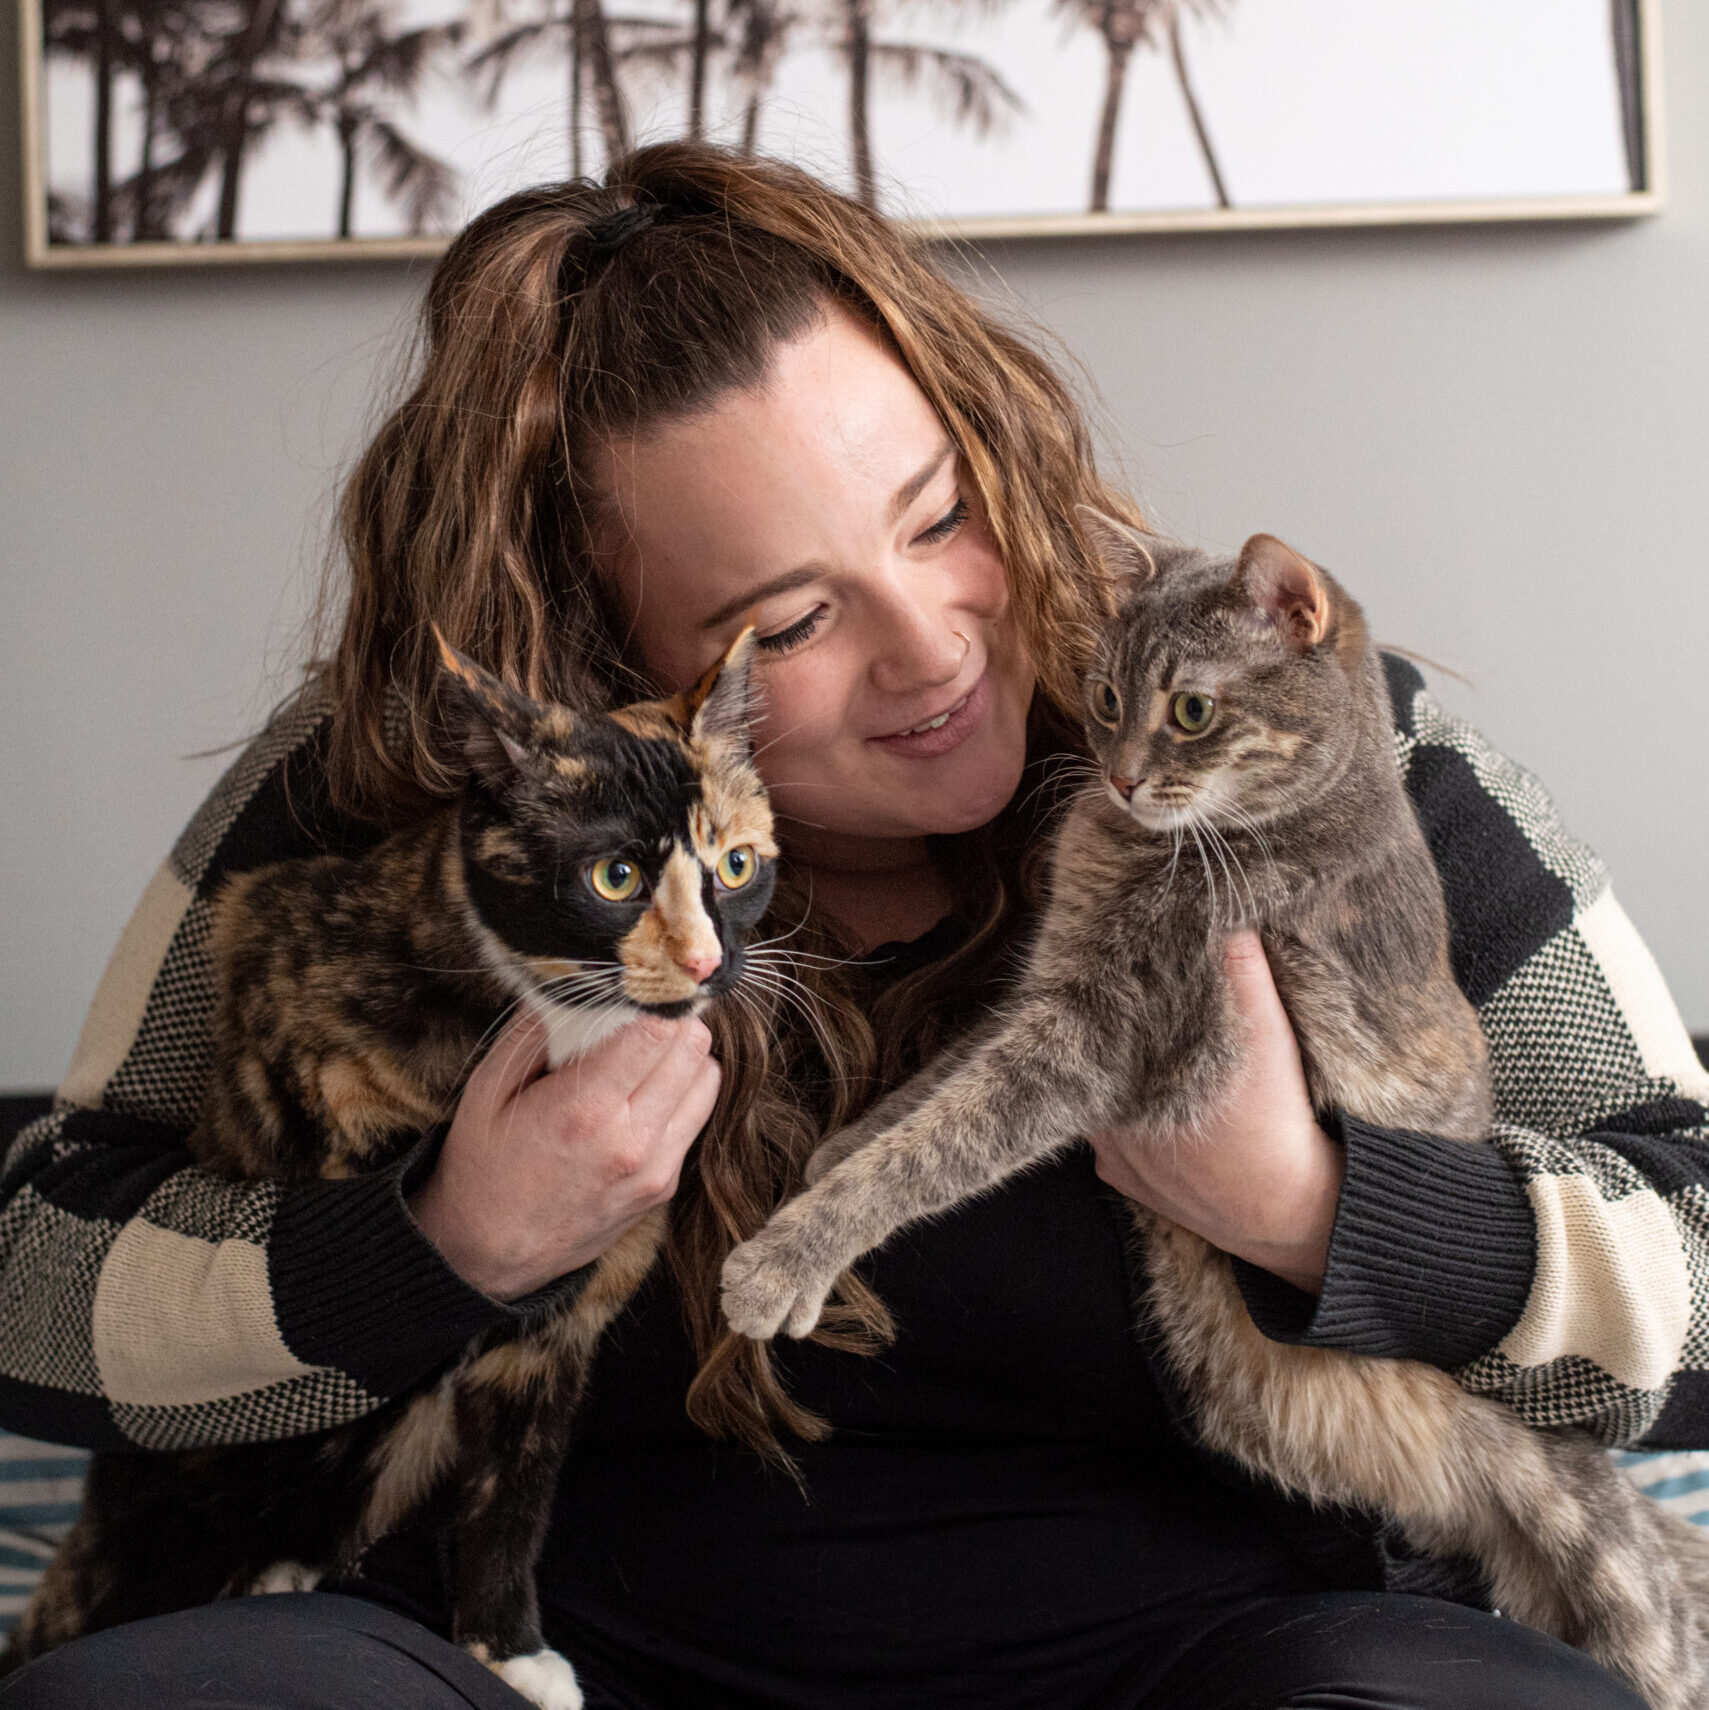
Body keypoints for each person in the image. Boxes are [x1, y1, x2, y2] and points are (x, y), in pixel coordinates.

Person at [1, 142, 1705, 1710]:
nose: (936, 648)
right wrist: (432, 1243)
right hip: (536, 1663)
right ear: (603, 647)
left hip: (1220, 1659)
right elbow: (30, 1278)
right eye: (794, 616)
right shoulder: (425, 775)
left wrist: (1326, 1210)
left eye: (939, 513)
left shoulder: (1326, 753)